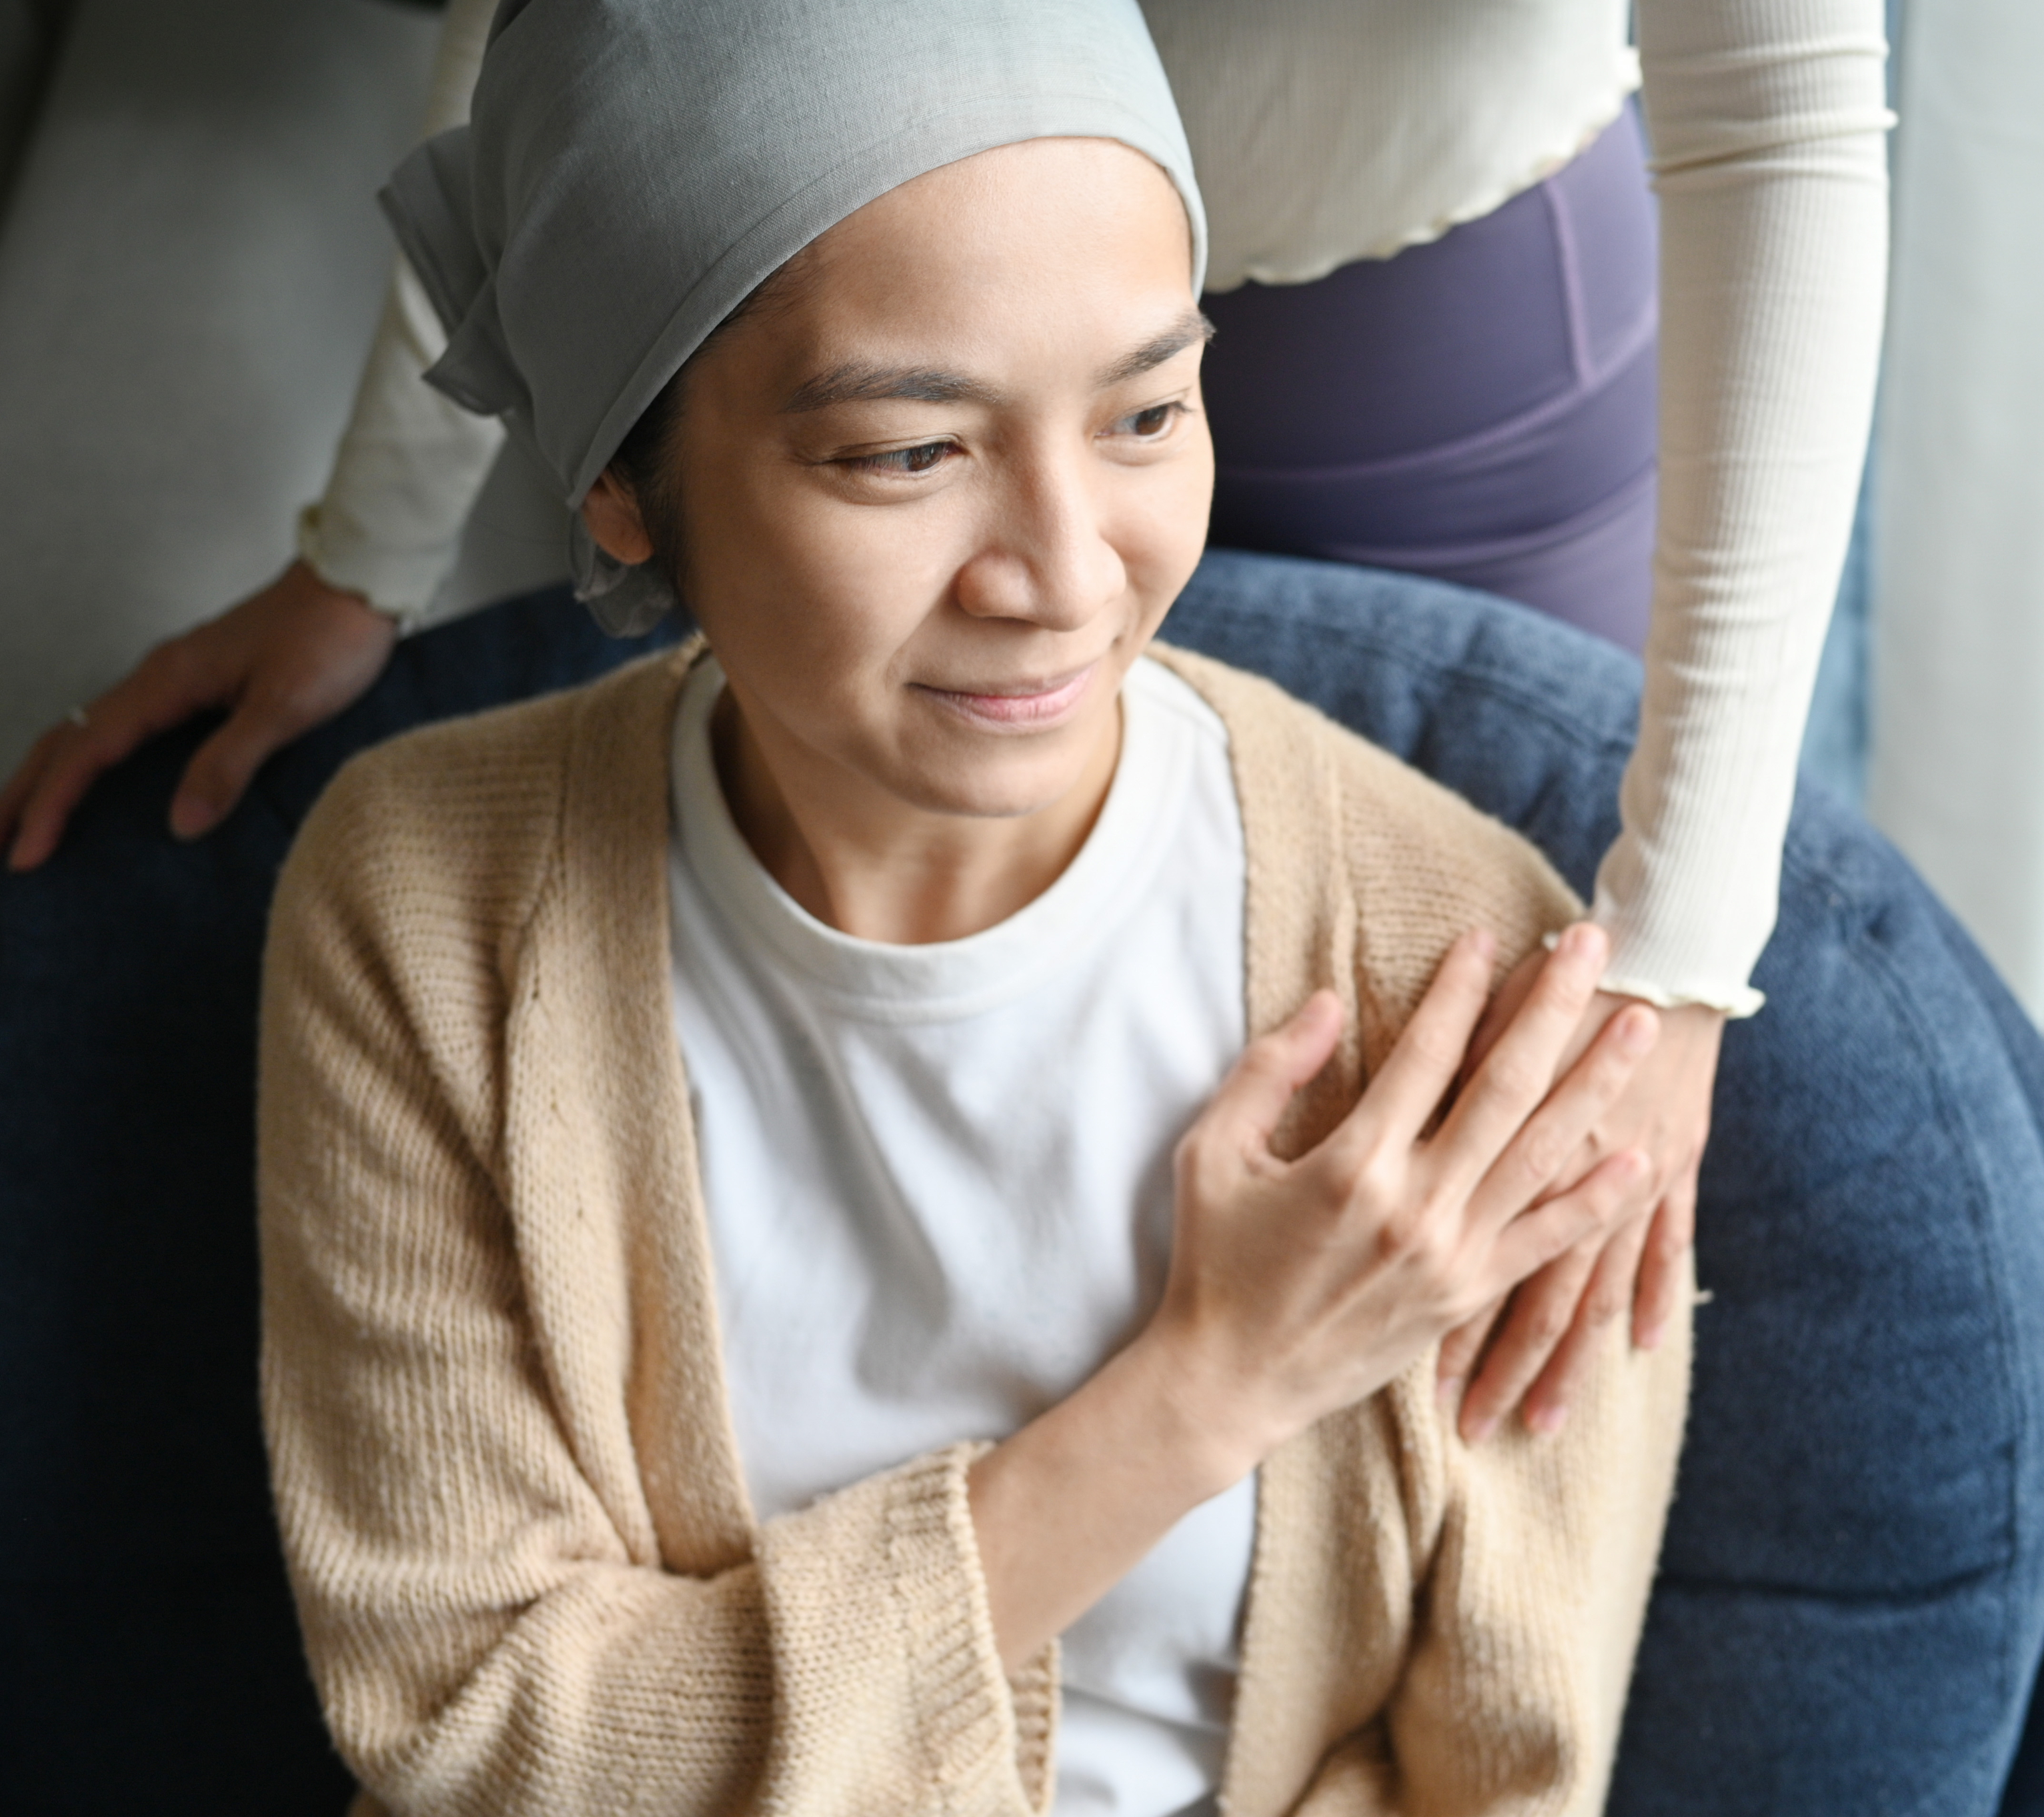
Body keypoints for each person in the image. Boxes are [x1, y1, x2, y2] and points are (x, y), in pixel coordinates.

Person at [4, 0, 1889, 1450]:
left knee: (1553, 1255)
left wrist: (1681, 951)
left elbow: (1783, 100)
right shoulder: (427, 939)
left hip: (1439, 347)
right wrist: (366, 560)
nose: (1066, 573)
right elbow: (591, 52)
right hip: (838, 258)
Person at [258, 3, 1691, 1811]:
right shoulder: (423, 916)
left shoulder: (1452, 961)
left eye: (1148, 411)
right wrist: (1207, 1392)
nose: (1069, 575)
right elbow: (483, 1733)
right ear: (620, 489)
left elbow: (1503, 1773)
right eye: (906, 454)